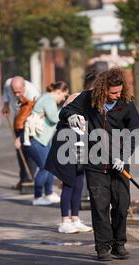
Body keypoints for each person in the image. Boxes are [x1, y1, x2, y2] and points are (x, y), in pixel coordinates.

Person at [59, 68, 139, 261]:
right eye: (113, 92)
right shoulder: (88, 99)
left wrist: (123, 156)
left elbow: (135, 131)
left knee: (121, 205)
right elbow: (65, 111)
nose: (117, 95)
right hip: (95, 162)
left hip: (119, 162)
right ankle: (102, 247)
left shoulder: (127, 103)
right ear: (103, 90)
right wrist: (70, 116)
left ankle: (118, 245)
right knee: (100, 205)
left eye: (119, 91)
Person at [46, 69, 98, 233]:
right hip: (67, 145)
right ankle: (64, 221)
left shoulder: (94, 102)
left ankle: (75, 219)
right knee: (68, 183)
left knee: (78, 183)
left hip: (81, 146)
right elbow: (64, 117)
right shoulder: (75, 98)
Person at [20, 81, 69, 206]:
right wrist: (66, 107)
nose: (63, 99)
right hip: (36, 140)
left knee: (49, 167)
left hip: (42, 140)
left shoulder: (47, 99)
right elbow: (54, 118)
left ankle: (48, 194)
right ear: (58, 92)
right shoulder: (48, 99)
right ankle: (37, 196)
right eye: (64, 96)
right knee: (44, 167)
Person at [2, 76, 39, 190]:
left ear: (24, 87)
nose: (17, 94)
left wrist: (22, 137)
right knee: (19, 151)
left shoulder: (33, 93)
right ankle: (23, 178)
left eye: (19, 91)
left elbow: (35, 116)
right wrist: (6, 105)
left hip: (30, 121)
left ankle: (29, 179)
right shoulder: (8, 83)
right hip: (17, 119)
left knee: (29, 149)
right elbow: (6, 95)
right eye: (15, 92)